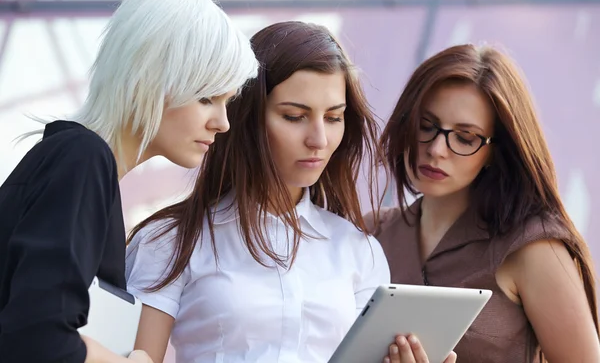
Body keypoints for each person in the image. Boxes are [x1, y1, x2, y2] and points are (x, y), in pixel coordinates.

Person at [125, 21, 454, 363]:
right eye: (295, 116)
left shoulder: (358, 251)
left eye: (333, 117)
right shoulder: (169, 241)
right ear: (246, 117)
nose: (319, 140)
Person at [0, 0, 258, 363]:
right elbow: (39, 337)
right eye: (207, 98)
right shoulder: (83, 160)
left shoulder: (73, 163)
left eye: (227, 102)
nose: (223, 123)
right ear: (149, 80)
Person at [367, 44, 600, 362]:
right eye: (426, 125)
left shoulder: (531, 246)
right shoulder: (369, 233)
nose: (437, 149)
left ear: (495, 150)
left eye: (465, 137)